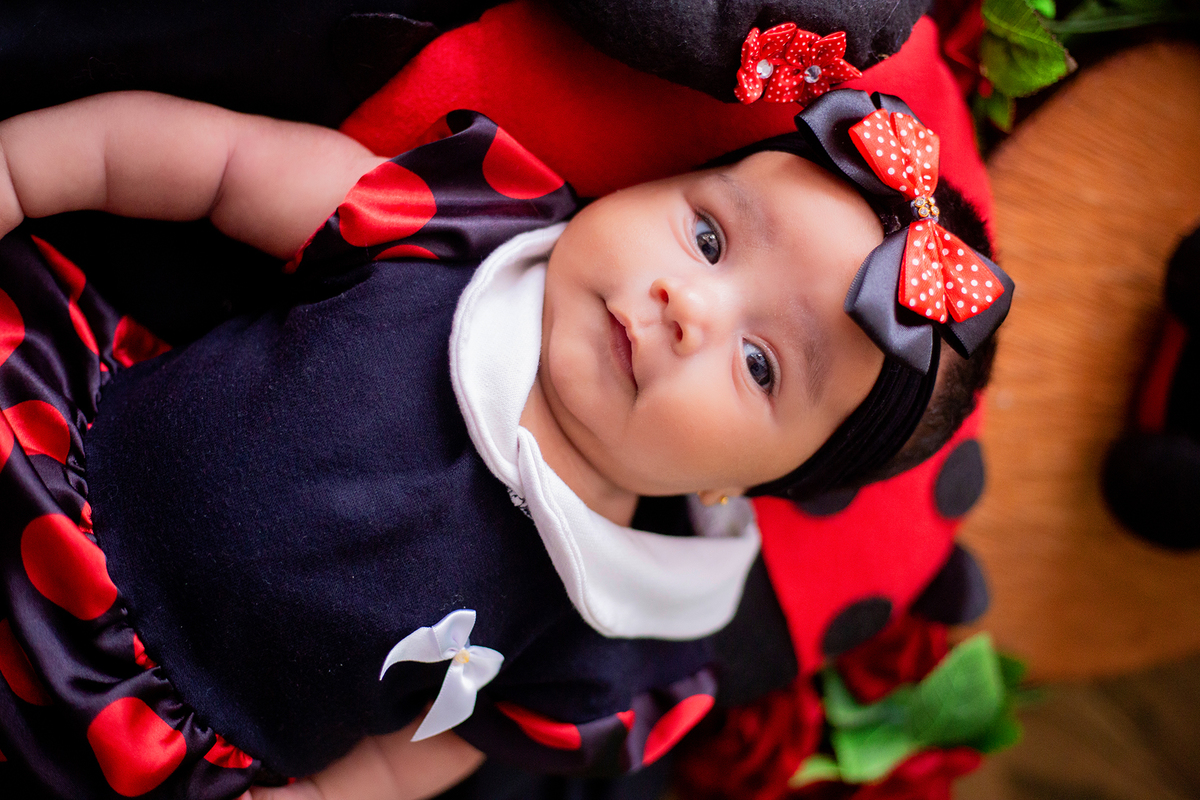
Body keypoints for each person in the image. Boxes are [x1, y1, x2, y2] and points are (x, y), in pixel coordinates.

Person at [0, 89, 1009, 800]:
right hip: (50, 458)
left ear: (752, 480)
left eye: (760, 365)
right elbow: (218, 163)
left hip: (122, 738)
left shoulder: (616, 628)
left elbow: (418, 753)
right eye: (707, 235)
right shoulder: (450, 230)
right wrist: (24, 166)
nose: (688, 305)